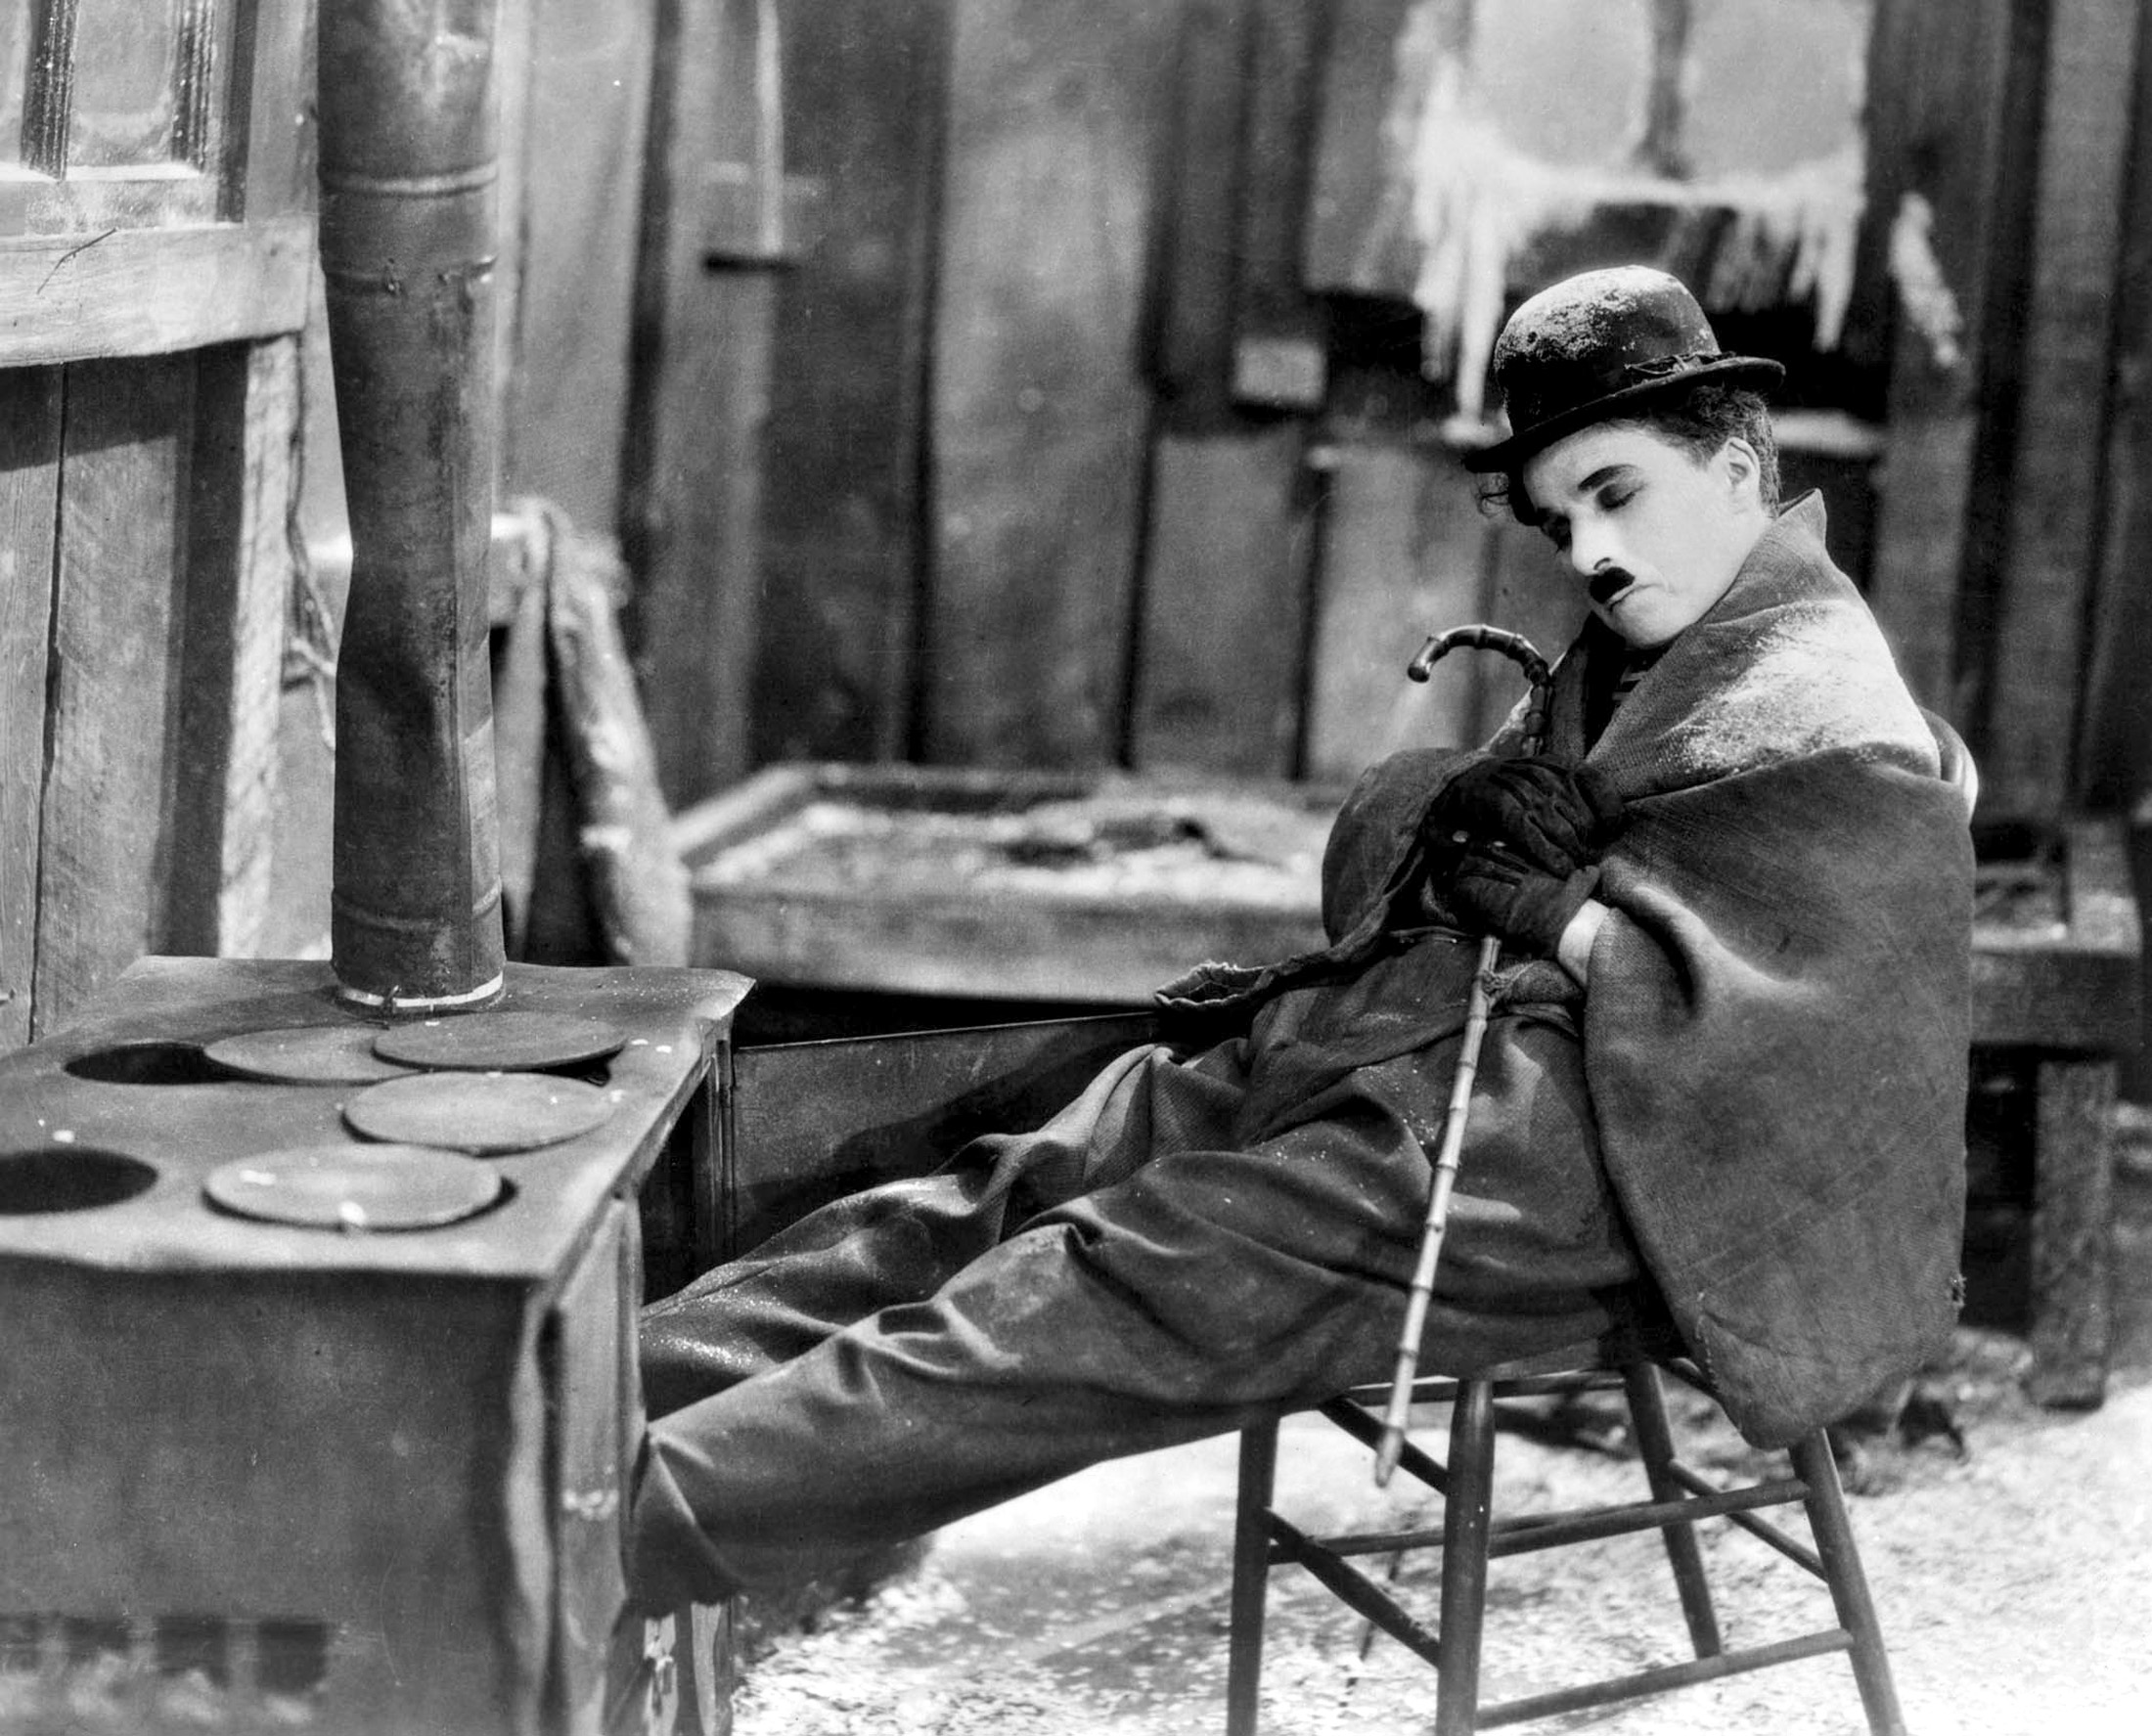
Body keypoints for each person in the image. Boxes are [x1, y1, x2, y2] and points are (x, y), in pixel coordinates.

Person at [625, 265, 1973, 1611]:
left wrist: (1563, 921)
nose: (1590, 553)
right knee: (1021, 1180)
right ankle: (576, 1382)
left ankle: (607, 1528)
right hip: (1421, 1055)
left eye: (1616, 494)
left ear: (1735, 466)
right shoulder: (1654, 644)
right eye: (1562, 521)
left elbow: (1817, 1066)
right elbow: (1426, 863)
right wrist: (1460, 805)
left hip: (1597, 1169)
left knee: (1108, 1279)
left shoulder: (1832, 719)